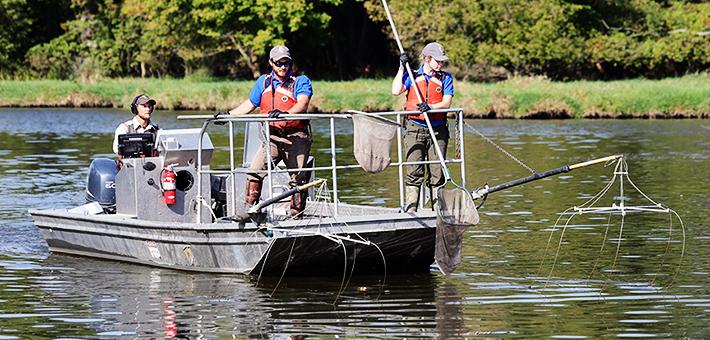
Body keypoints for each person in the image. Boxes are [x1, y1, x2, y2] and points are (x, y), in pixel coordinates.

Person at [227, 45, 313, 219]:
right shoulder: (264, 82)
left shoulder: (300, 81)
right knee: (254, 171)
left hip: (296, 137)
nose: (283, 67)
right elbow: (250, 104)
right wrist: (227, 115)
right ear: (271, 63)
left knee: (297, 178)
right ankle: (250, 211)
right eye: (279, 63)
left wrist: (286, 114)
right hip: (271, 138)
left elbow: (302, 103)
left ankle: (296, 215)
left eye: (286, 63)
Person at [391, 42, 454, 212]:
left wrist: (431, 107)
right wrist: (401, 68)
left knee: (437, 172)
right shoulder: (412, 76)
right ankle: (411, 210)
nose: (440, 64)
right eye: (437, 61)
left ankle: (437, 211)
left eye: (442, 61)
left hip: (438, 129)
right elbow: (396, 90)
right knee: (414, 170)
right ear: (427, 58)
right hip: (414, 128)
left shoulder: (445, 78)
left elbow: (447, 102)